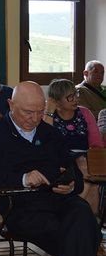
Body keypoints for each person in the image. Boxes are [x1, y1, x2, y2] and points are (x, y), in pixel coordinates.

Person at [0, 81, 101, 256]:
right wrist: (22, 179)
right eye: (28, 112)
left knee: (84, 216)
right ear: (11, 105)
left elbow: (75, 174)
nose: (35, 118)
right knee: (74, 233)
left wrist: (71, 185)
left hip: (58, 199)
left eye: (41, 111)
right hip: (19, 205)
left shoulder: (51, 134)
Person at [44, 79, 105, 214]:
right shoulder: (48, 115)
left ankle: (86, 224)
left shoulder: (84, 113)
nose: (75, 99)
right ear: (57, 100)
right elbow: (45, 140)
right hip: (61, 159)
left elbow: (97, 143)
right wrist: (48, 111)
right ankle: (73, 216)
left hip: (86, 157)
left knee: (92, 185)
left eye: (76, 94)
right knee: (85, 170)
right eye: (70, 96)